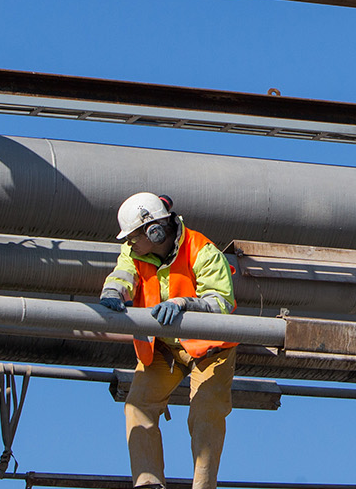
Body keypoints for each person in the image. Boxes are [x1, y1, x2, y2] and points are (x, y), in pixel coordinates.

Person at [97, 192, 238, 489]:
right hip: (165, 350)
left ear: (155, 230)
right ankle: (148, 484)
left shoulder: (202, 250)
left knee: (205, 415)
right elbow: (123, 275)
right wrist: (113, 291)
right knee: (138, 406)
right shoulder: (132, 252)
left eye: (134, 236)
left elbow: (221, 302)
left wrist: (185, 304)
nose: (129, 243)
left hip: (209, 351)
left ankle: (203, 486)